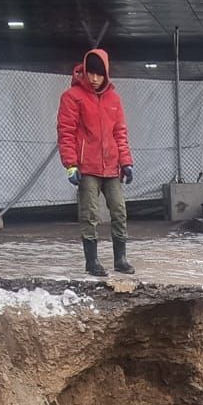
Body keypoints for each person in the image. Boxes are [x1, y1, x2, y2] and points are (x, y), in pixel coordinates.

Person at [57, 48, 135, 278]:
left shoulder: (114, 99)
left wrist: (126, 162)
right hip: (87, 166)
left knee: (119, 210)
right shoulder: (72, 97)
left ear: (106, 75)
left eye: (99, 74)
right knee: (90, 213)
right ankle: (92, 261)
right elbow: (66, 132)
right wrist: (71, 164)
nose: (94, 78)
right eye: (90, 73)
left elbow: (120, 133)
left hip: (111, 167)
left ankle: (120, 259)